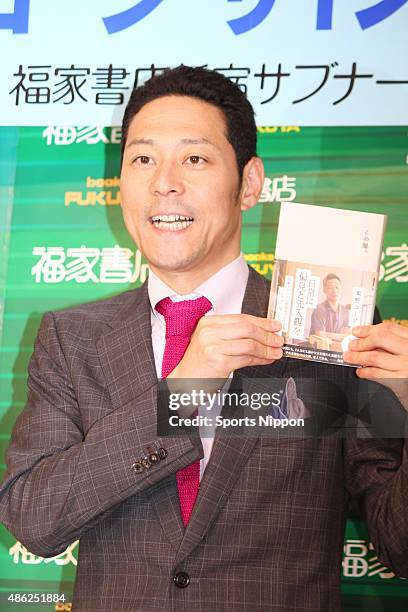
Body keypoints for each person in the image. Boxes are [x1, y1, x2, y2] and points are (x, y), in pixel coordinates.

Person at [0, 66, 407, 612]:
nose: (165, 181)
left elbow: (398, 545)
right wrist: (183, 392)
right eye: (143, 159)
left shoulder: (329, 327)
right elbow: (34, 521)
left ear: (251, 183)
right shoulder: (72, 341)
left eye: (195, 158)